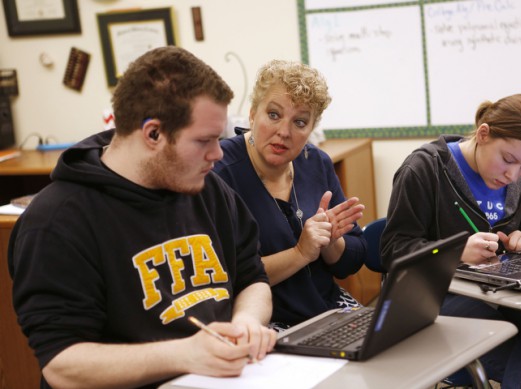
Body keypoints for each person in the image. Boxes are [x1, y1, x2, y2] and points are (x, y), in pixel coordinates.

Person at [8, 46, 277, 389]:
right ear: (152, 134)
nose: (218, 154)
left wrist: (247, 323)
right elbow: (62, 365)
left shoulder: (207, 189)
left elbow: (252, 278)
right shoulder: (57, 223)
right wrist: (185, 355)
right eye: (204, 141)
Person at [380, 93, 521, 388]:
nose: (513, 175)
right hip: (436, 296)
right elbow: (392, 251)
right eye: (508, 160)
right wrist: (456, 252)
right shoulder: (423, 169)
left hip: (498, 293)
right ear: (483, 134)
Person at [213, 60, 367, 331]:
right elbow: (223, 279)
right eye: (273, 115)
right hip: (264, 325)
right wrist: (301, 253)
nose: (284, 132)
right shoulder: (219, 173)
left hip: (327, 309)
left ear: (312, 130)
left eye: (299, 122)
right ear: (252, 114)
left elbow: (351, 262)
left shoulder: (316, 162)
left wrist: (331, 242)